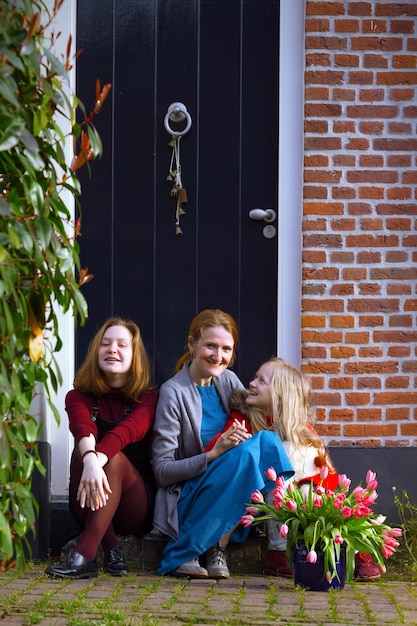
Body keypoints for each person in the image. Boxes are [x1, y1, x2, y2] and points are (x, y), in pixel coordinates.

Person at [151, 309, 294, 579]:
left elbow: (258, 414)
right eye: (211, 346)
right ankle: (188, 546)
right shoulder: (173, 392)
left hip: (230, 486)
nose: (219, 356)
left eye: (226, 349)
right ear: (192, 345)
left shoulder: (227, 380)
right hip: (187, 494)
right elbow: (161, 469)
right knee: (258, 446)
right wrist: (213, 454)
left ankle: (221, 543)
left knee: (267, 442)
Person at [240, 356, 383, 582]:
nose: (252, 383)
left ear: (281, 395)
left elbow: (328, 482)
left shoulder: (305, 437)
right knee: (281, 460)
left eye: (261, 380)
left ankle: (348, 545)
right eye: (255, 378)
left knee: (304, 466)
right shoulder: (245, 422)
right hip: (263, 504)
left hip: (310, 504)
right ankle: (280, 551)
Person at [45, 317, 157, 580]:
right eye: (105, 344)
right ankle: (109, 547)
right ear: (96, 351)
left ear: (134, 355)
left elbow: (127, 431)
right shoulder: (77, 396)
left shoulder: (149, 398)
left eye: (121, 345)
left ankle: (84, 553)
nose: (112, 349)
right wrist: (90, 461)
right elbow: (83, 427)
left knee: (112, 458)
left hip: (134, 506)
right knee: (80, 453)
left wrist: (96, 460)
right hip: (87, 502)